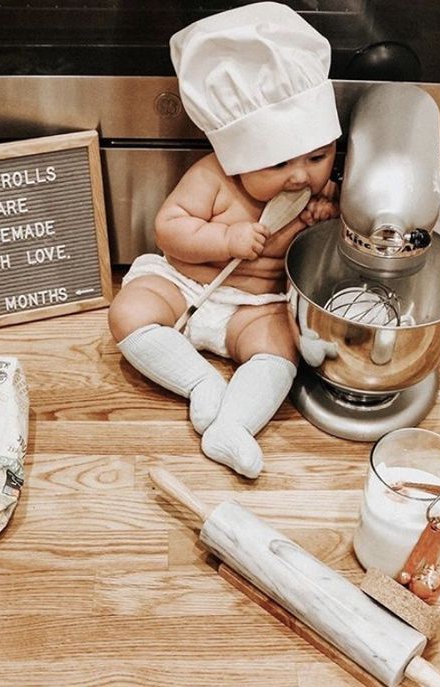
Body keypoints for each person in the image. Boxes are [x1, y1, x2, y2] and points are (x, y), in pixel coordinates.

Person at [108, 3, 342, 478]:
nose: (300, 175)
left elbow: (327, 252)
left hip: (256, 308)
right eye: (277, 164)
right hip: (185, 287)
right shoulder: (213, 178)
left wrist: (326, 219)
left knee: (282, 348)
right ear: (233, 154)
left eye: (318, 156)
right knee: (128, 311)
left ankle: (232, 427)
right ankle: (198, 383)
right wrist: (225, 238)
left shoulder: (316, 190)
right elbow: (169, 230)